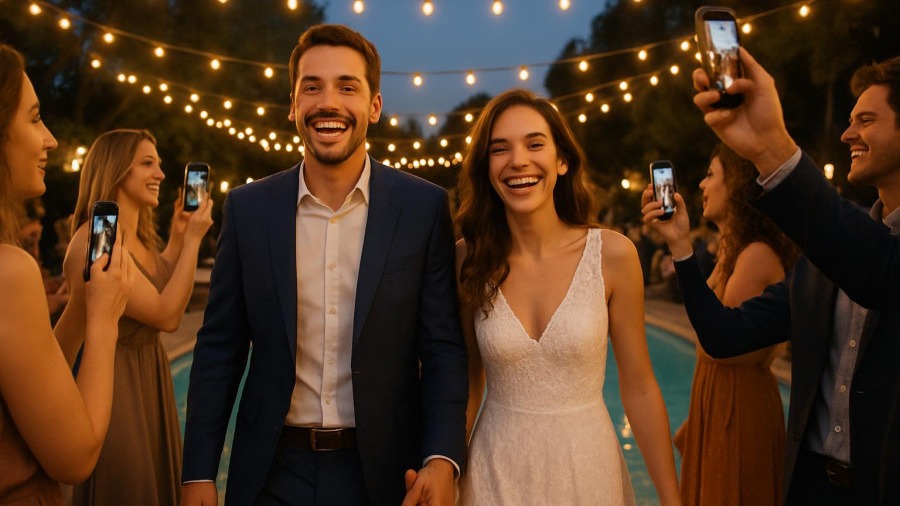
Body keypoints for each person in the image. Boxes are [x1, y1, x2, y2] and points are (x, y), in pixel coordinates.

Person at [180, 24, 468, 506]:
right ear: (293, 105)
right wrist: (197, 474)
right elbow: (218, 350)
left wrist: (442, 457)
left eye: (347, 87)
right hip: (272, 472)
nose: (327, 102)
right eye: (311, 87)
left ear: (374, 107)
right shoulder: (248, 210)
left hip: (388, 474)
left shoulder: (424, 209)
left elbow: (442, 348)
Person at [648, 48, 900, 503]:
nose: (847, 134)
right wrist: (681, 245)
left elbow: (880, 271)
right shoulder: (830, 257)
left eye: (866, 120)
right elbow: (724, 335)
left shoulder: (856, 251)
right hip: (810, 488)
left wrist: (771, 147)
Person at [455, 89, 680, 505]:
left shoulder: (612, 255)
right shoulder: (467, 259)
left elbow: (640, 386)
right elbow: (468, 382)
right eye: (499, 149)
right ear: (486, 168)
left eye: (535, 144)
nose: (518, 160)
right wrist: (447, 472)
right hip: (494, 471)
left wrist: (672, 498)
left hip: (586, 469)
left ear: (562, 161)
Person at [53, 129, 213, 505]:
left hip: (149, 374)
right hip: (114, 384)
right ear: (116, 169)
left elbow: (159, 282)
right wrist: (193, 242)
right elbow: (167, 314)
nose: (160, 173)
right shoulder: (95, 243)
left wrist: (177, 238)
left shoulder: (137, 237)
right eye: (147, 163)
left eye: (158, 163)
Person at [0, 43, 131, 503]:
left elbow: (30, 384)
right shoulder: (9, 270)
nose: (50, 139)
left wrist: (79, 305)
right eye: (34, 118)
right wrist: (103, 320)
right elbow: (75, 456)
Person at [641, 144, 799, 505]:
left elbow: (723, 344)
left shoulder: (756, 254)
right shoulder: (733, 251)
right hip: (718, 397)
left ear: (739, 186)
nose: (701, 184)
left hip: (738, 407)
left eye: (711, 175)